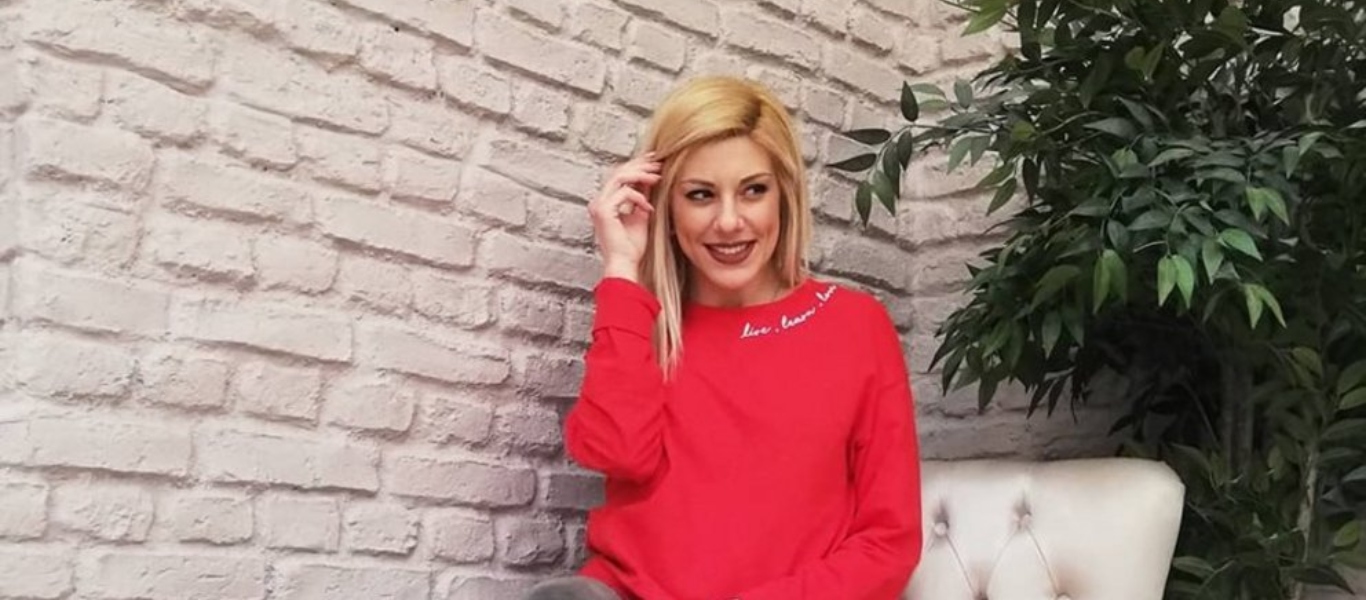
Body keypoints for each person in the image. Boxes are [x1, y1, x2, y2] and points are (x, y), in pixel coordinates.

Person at [526, 76, 922, 600]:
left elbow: (889, 541)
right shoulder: (643, 325)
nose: (729, 221)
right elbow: (616, 453)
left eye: (754, 190)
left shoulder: (854, 325)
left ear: (784, 195)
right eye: (701, 195)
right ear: (666, 206)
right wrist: (621, 269)